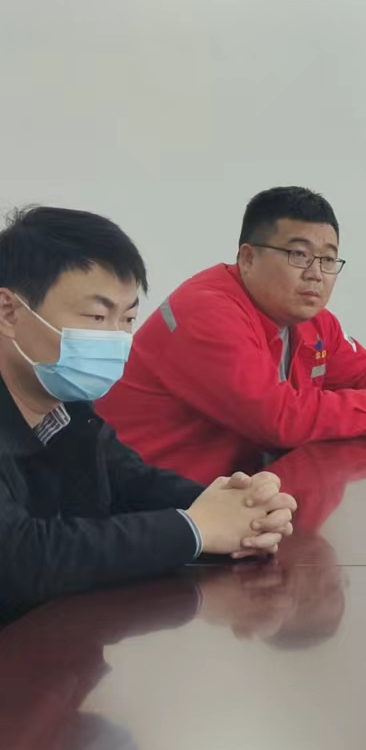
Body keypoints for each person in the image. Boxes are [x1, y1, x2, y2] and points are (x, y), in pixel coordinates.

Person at [0, 206, 297, 627]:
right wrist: (195, 528)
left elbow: (130, 483)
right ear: (9, 312)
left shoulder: (69, 408)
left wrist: (242, 508)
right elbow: (22, 558)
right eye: (96, 317)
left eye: (128, 318)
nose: (115, 338)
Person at [98, 187, 366, 485]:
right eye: (299, 255)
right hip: (152, 506)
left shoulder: (313, 320)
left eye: (328, 260)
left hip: (237, 497)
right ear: (248, 258)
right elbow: (278, 419)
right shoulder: (206, 312)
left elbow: (363, 373)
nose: (316, 273)